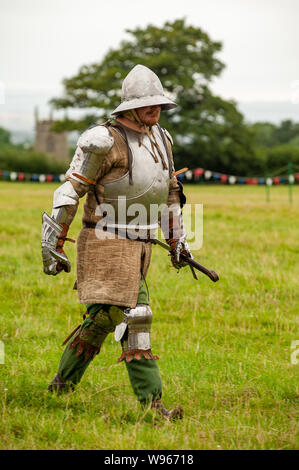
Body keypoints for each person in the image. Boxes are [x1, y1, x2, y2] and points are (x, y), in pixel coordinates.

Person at [42, 64, 192, 420]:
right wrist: (53, 243)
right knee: (136, 316)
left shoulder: (161, 139)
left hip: (140, 244)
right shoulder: (103, 140)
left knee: (102, 319)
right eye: (148, 104)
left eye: (159, 104)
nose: (155, 110)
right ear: (129, 105)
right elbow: (69, 192)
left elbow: (170, 192)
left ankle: (61, 385)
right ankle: (153, 406)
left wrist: (177, 240)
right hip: (105, 242)